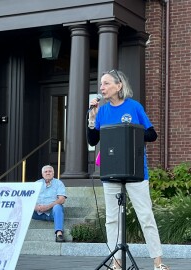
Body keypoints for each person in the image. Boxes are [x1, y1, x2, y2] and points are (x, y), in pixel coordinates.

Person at [87, 69, 169, 270]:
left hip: (135, 170)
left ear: (119, 85)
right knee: (111, 219)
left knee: (145, 216)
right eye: (101, 84)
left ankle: (158, 262)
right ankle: (116, 262)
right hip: (111, 171)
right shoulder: (103, 111)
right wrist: (91, 118)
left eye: (106, 83)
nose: (102, 87)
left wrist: (128, 133)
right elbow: (92, 140)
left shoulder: (134, 107)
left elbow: (152, 135)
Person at [32, 165, 67, 242]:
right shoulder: (36, 184)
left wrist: (47, 207)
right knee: (23, 206)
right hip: (37, 213)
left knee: (58, 207)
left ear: (53, 173)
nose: (48, 173)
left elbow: (62, 199)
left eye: (50, 171)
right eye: (46, 171)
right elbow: (29, 199)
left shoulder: (59, 183)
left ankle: (59, 234)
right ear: (42, 174)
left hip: (51, 213)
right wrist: (35, 207)